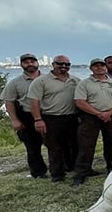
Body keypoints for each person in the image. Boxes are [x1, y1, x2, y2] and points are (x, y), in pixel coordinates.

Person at [72, 58, 112, 186]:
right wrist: (98, 113)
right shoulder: (84, 83)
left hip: (111, 116)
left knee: (111, 143)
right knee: (86, 145)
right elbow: (80, 102)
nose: (99, 68)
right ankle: (82, 172)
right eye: (96, 66)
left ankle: (111, 167)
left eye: (102, 65)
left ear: (105, 67)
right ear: (91, 68)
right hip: (90, 117)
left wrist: (109, 113)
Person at [28, 55, 80, 183]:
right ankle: (57, 174)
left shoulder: (75, 80)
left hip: (72, 117)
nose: (63, 67)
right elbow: (34, 101)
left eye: (67, 64)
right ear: (53, 64)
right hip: (51, 118)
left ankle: (76, 169)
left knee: (75, 145)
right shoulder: (41, 81)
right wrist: (38, 119)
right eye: (60, 64)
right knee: (54, 147)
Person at [0, 53, 47, 178]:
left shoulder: (48, 79)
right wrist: (15, 120)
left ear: (37, 63)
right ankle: (38, 172)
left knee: (56, 144)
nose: (30, 64)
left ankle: (62, 167)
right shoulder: (15, 83)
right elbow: (9, 102)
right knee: (32, 147)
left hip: (48, 114)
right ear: (21, 64)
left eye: (32, 61)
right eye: (26, 62)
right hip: (27, 116)